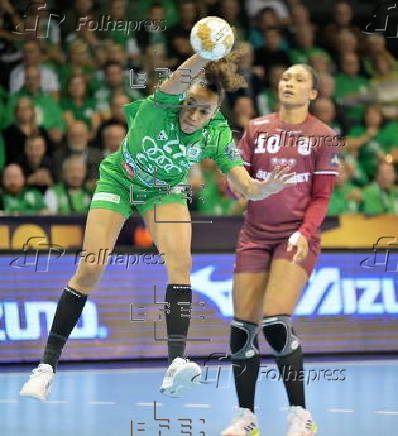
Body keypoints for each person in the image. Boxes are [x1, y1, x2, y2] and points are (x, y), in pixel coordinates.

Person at [19, 43, 295, 401]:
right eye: (191, 105)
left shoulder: (217, 133)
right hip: (119, 180)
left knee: (181, 264)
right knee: (91, 267)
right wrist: (204, 53)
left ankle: (176, 362)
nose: (194, 115)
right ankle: (45, 369)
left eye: (204, 110)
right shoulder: (161, 105)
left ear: (215, 113)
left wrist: (262, 188)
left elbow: (244, 185)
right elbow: (181, 79)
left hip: (163, 192)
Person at [221, 64, 340, 436]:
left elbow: (321, 197)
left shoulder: (323, 137)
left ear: (313, 94)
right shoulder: (256, 129)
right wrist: (236, 185)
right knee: (242, 330)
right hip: (254, 235)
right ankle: (246, 417)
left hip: (295, 237)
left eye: (299, 79)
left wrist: (305, 232)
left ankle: (300, 414)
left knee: (274, 323)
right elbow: (234, 181)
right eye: (285, 77)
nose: (288, 82)